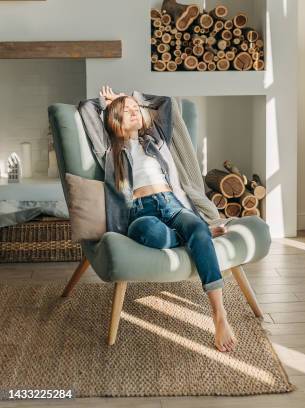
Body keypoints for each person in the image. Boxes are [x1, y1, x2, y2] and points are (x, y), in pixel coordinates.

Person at [94, 86, 236, 352]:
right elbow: (88, 115)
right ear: (114, 121)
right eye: (127, 112)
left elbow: (166, 103)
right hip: (140, 211)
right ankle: (199, 235)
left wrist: (132, 98)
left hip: (171, 204)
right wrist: (111, 103)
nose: (134, 112)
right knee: (151, 234)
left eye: (136, 109)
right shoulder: (109, 150)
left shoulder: (155, 140)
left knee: (193, 225)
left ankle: (219, 314)